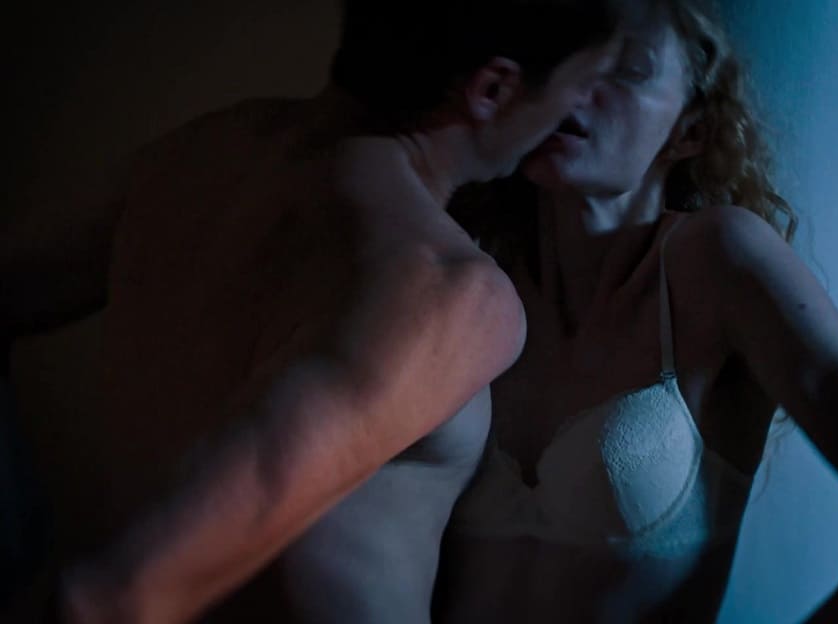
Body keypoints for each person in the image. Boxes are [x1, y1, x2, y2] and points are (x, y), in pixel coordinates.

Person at [0, 1, 641, 621]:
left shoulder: (193, 153)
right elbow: (114, 598)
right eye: (584, 81)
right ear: (493, 88)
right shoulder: (448, 288)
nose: (582, 107)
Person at [435, 1, 838, 622]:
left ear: (691, 131)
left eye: (627, 69)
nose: (576, 88)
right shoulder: (470, 273)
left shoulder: (718, 260)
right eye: (565, 62)